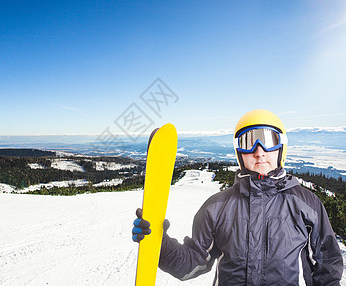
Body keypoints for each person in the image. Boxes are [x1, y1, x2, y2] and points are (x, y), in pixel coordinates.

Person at [132, 109, 343, 285]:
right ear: (239, 152)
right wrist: (160, 245)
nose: (259, 151)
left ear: (281, 147)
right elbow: (192, 263)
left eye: (268, 140)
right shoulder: (216, 207)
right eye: (249, 141)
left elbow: (327, 266)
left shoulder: (306, 204)